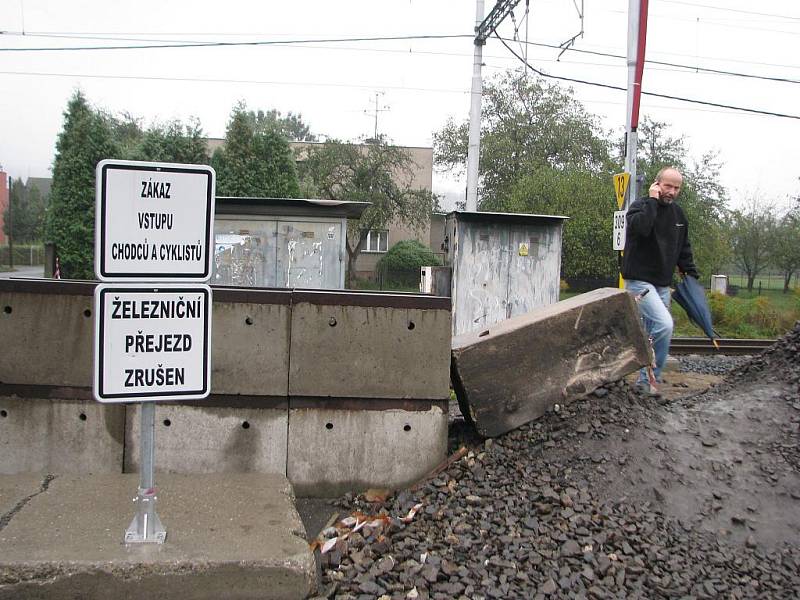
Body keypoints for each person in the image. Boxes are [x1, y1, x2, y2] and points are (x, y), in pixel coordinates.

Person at [622, 166, 698, 394]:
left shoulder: (679, 216)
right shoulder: (640, 207)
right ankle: (643, 378)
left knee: (654, 333)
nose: (672, 192)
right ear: (656, 184)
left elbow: (683, 249)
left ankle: (646, 383)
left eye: (676, 188)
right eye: (667, 186)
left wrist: (692, 276)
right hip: (639, 282)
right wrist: (653, 202)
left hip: (662, 285)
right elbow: (642, 229)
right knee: (664, 325)